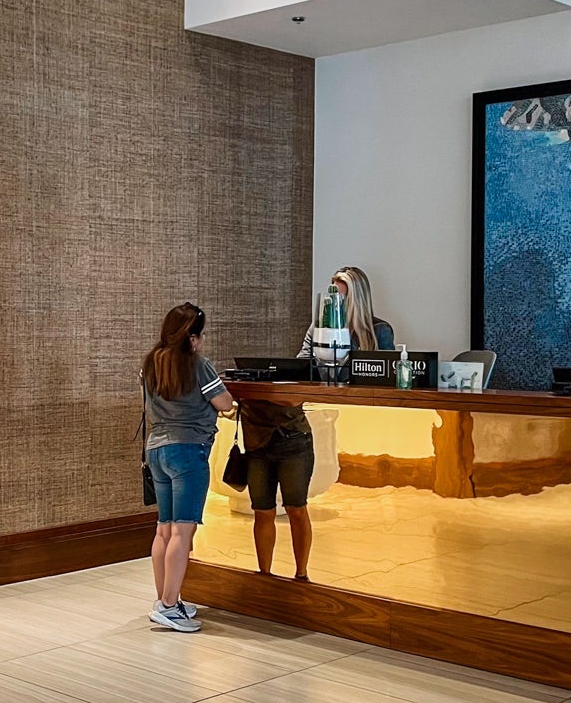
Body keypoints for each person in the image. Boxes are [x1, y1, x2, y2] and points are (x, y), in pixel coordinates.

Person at [142, 302, 233, 632]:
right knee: (183, 531)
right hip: (188, 450)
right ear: (191, 337)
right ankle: (169, 606)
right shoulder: (198, 365)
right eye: (201, 335)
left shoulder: (151, 362)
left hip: (157, 449)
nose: (203, 341)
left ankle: (166, 601)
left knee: (164, 529)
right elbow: (225, 403)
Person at [238, 399, 315, 580]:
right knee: (262, 511)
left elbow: (294, 399)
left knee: (296, 509)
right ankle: (264, 576)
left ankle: (301, 575)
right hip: (255, 441)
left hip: (293, 436)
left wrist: (257, 393)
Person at [298, 265, 395, 358]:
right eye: (334, 296)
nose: (336, 303)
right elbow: (302, 363)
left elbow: (387, 367)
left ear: (357, 301)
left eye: (341, 298)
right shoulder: (319, 328)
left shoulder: (380, 330)